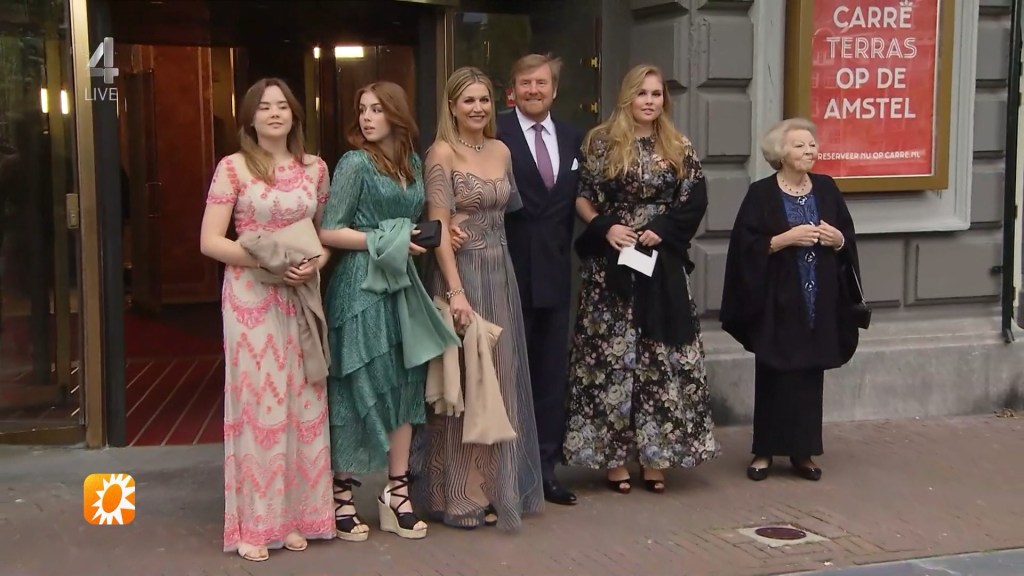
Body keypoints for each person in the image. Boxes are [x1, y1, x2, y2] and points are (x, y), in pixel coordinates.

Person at [564, 64, 720, 494]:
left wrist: (663, 229)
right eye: (642, 93)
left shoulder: (678, 145)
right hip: (612, 264)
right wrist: (605, 227)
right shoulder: (600, 142)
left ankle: (657, 457)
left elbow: (694, 200)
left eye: (656, 94)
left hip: (659, 264)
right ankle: (612, 459)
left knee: (659, 358)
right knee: (609, 359)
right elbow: (582, 196)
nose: (650, 101)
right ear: (627, 97)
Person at [200, 78, 334, 562]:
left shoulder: (316, 169)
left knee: (302, 398)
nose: (274, 113)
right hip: (250, 295)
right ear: (250, 117)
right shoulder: (233, 168)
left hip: (300, 294)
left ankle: (297, 517)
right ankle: (255, 524)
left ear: (295, 114)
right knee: (261, 402)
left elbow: (321, 237)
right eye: (264, 107)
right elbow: (210, 241)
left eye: (282, 106)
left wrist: (311, 265)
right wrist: (269, 261)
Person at [319, 81, 458, 542]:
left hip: (403, 284)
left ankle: (396, 496)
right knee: (357, 384)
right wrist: (387, 240)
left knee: (404, 385)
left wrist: (426, 235)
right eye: (362, 109)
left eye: (377, 109)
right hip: (360, 285)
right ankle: (341, 493)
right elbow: (330, 230)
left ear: (397, 114)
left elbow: (417, 221)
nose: (367, 118)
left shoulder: (413, 163)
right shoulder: (353, 162)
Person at [410, 66, 544, 530]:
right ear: (452, 106)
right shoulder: (440, 154)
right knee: (463, 385)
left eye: (484, 99)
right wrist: (456, 293)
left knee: (501, 379)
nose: (478, 108)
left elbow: (505, 213)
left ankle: (497, 489)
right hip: (459, 278)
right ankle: (458, 495)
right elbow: (438, 229)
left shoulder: (502, 150)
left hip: (500, 275)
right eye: (468, 100)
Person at [720, 117, 863, 482]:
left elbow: (846, 236)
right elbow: (744, 247)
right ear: (780, 153)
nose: (809, 151)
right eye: (800, 145)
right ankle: (764, 451)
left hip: (818, 300)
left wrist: (838, 240)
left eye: (812, 144)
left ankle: (803, 452)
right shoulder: (761, 194)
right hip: (777, 300)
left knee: (809, 375)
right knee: (774, 372)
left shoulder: (826, 188)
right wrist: (785, 239)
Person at [494, 53, 583, 506]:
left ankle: (545, 470)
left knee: (549, 376)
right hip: (504, 271)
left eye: (541, 83)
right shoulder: (494, 132)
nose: (533, 90)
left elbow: (583, 200)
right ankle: (507, 473)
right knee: (507, 376)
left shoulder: (573, 137)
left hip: (555, 274)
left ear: (554, 89)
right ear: (513, 89)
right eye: (525, 83)